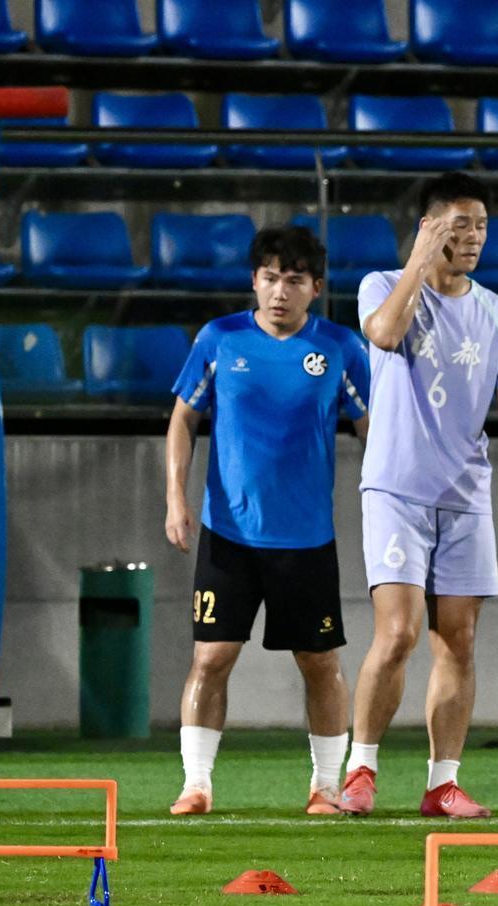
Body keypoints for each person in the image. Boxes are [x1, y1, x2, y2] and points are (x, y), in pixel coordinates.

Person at [340, 171, 498, 819]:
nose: (474, 237)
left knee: (458, 639)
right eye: (459, 225)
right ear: (427, 228)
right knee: (398, 632)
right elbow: (383, 334)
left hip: (466, 493)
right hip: (396, 489)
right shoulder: (382, 285)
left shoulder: (494, 310)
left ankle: (442, 783)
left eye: (481, 226)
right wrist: (419, 262)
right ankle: (361, 770)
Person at [164, 224, 370, 815]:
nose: (281, 291)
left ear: (316, 288)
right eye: (271, 278)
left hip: (306, 539)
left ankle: (325, 787)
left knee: (320, 663)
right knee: (210, 658)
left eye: (295, 280)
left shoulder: (341, 348)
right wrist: (176, 499)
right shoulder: (219, 339)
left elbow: (373, 432)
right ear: (254, 281)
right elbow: (183, 419)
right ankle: (196, 784)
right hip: (227, 534)